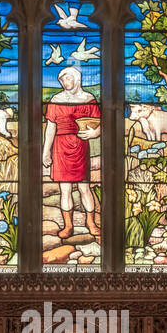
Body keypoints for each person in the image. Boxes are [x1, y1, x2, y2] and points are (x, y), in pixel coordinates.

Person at [42, 66, 100, 241]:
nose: (64, 82)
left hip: (81, 145)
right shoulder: (56, 99)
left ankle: (91, 223)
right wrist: (46, 152)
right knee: (65, 189)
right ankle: (68, 226)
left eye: (67, 78)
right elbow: (50, 128)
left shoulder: (89, 99)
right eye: (61, 80)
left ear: (77, 78)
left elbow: (99, 122)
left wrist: (95, 133)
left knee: (84, 188)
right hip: (60, 147)